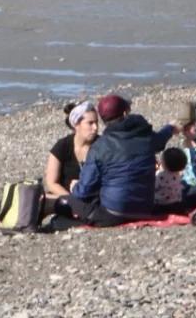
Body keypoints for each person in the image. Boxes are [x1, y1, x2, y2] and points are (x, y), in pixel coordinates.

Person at [0, 100, 98, 230]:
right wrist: (72, 199)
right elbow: (52, 182)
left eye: (96, 122)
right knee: (31, 194)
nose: (96, 127)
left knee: (33, 199)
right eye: (90, 123)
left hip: (90, 201)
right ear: (76, 125)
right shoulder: (62, 146)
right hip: (66, 198)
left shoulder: (101, 146)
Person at [58, 94, 177, 227]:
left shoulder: (99, 147)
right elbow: (160, 140)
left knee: (65, 202)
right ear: (125, 113)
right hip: (145, 209)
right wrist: (170, 128)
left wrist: (75, 188)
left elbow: (85, 190)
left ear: (103, 121)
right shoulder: (145, 135)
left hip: (114, 213)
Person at [153, 147, 189, 214]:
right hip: (177, 205)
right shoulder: (178, 175)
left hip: (161, 205)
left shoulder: (160, 175)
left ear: (164, 163)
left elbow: (153, 187)